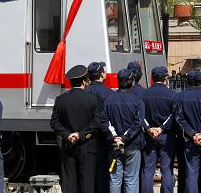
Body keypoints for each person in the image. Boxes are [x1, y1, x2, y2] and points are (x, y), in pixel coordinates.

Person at [50, 65, 100, 193]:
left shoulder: (60, 100)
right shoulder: (92, 99)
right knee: (87, 182)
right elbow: (96, 123)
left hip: (68, 145)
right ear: (84, 81)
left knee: (69, 182)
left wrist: (68, 135)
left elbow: (54, 123)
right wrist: (81, 135)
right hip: (87, 146)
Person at [101, 69, 144, 193]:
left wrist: (115, 137)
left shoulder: (109, 100)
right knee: (131, 180)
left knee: (115, 179)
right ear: (131, 82)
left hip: (114, 145)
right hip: (133, 145)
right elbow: (138, 122)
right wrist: (125, 137)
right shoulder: (137, 100)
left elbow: (104, 121)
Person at [140, 66, 176, 193]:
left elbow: (140, 115)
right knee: (166, 169)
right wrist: (161, 129)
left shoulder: (143, 94)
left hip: (149, 137)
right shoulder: (172, 95)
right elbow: (174, 116)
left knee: (148, 170)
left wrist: (149, 129)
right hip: (166, 136)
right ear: (166, 78)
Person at [85, 61, 114, 193]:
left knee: (89, 169)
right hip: (104, 135)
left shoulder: (85, 92)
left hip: (87, 136)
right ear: (102, 73)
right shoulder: (109, 93)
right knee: (103, 168)